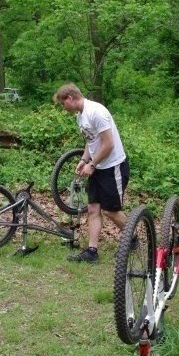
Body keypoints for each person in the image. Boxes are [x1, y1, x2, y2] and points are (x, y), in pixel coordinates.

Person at [53, 83, 129, 263]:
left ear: (70, 98)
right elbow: (91, 140)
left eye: (63, 104)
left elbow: (108, 144)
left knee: (111, 211)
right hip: (97, 167)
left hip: (113, 166)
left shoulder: (96, 112)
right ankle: (92, 252)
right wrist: (84, 160)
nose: (64, 109)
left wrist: (93, 164)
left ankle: (132, 238)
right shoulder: (81, 116)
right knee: (93, 209)